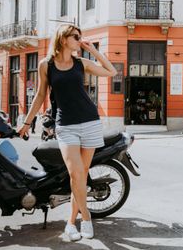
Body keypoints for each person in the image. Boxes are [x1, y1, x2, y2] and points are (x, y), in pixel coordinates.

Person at [17, 24, 117, 242]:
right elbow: (41, 95)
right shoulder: (47, 65)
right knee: (76, 174)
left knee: (80, 178)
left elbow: (112, 71)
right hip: (66, 126)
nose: (79, 39)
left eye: (80, 36)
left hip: (90, 122)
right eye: (76, 36)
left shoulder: (81, 63)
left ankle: (71, 223)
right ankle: (87, 217)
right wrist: (27, 122)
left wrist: (93, 50)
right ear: (63, 39)